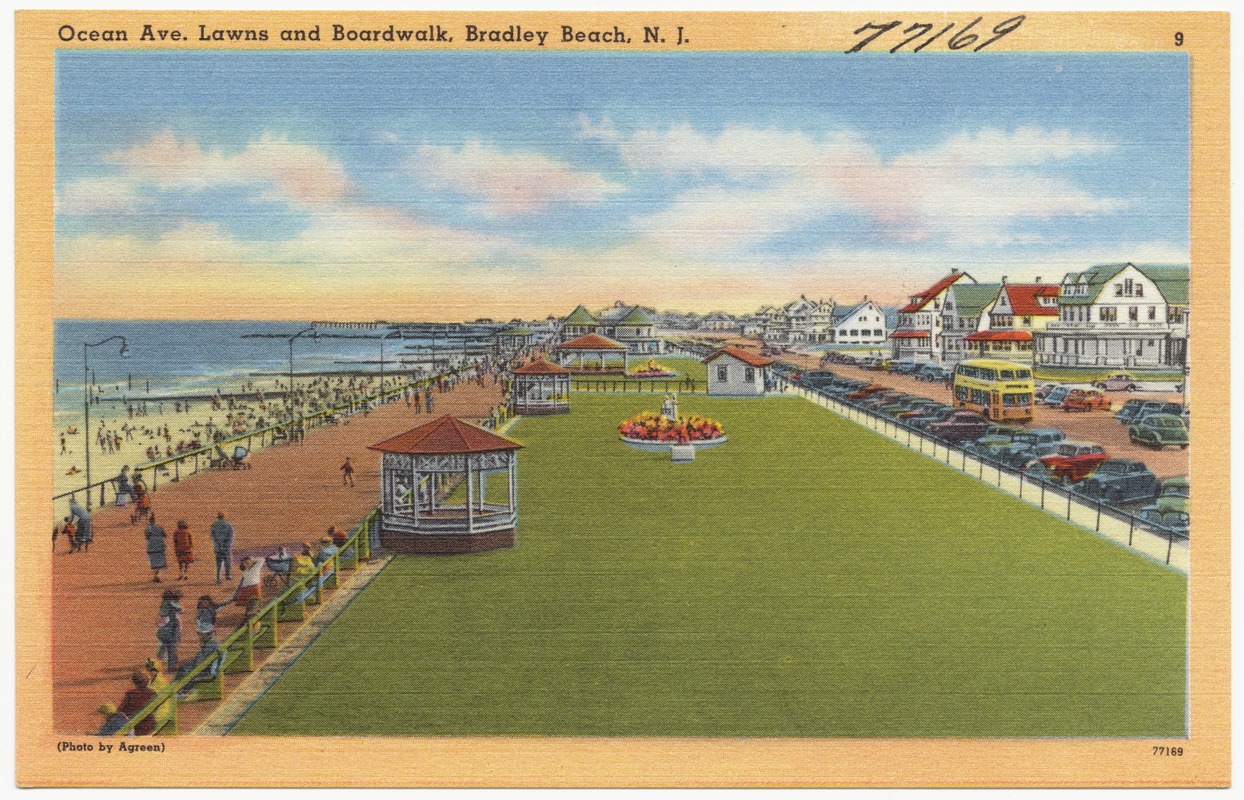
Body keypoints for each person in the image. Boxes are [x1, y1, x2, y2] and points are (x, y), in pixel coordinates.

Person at [117, 669, 157, 735]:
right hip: (149, 724)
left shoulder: (130, 694)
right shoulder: (152, 693)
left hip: (134, 726)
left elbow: (121, 710)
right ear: (147, 681)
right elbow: (155, 708)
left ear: (134, 682)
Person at [155, 590, 183, 673]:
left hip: (165, 630)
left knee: (163, 647)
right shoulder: (170, 606)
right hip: (170, 630)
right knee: (170, 648)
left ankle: (159, 663)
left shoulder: (164, 606)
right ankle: (170, 667)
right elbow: (180, 610)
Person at [143, 658, 172, 730]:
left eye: (152, 670)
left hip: (161, 712)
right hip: (157, 709)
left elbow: (152, 697)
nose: (149, 671)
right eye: (148, 669)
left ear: (157, 670)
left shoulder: (160, 681)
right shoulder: (153, 679)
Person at [209, 512, 234, 585]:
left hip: (217, 547)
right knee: (227, 560)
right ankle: (227, 575)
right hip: (226, 546)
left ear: (218, 517)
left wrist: (218, 544)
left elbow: (213, 536)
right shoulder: (228, 525)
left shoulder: (214, 525)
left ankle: (218, 578)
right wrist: (226, 544)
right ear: (224, 517)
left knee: (218, 563)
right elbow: (230, 536)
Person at [144, 514, 167, 583]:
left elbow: (146, 537)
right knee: (159, 560)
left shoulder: (148, 528)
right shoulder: (159, 527)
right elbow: (164, 535)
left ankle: (155, 576)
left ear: (149, 521)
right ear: (154, 520)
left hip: (151, 545)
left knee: (153, 561)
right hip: (159, 544)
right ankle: (157, 575)